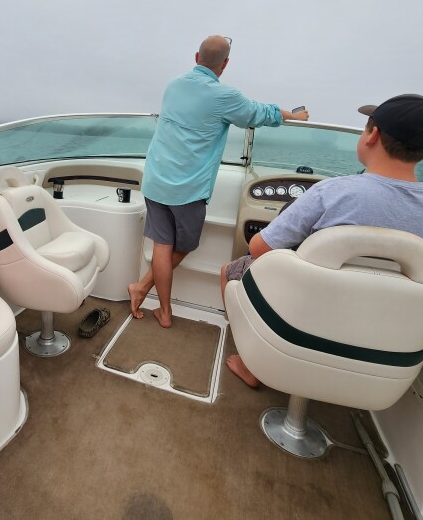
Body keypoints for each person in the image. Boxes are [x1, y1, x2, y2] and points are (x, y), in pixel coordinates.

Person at [221, 94, 423, 388]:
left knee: (230, 271)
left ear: (372, 135)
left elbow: (258, 248)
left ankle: (252, 365)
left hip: (304, 319)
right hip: (388, 337)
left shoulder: (332, 193)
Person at [129, 34, 309, 328]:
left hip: (156, 178)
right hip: (187, 188)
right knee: (184, 245)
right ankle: (156, 302)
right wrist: (296, 115)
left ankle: (152, 299)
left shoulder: (173, 85)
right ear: (225, 64)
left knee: (162, 245)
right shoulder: (224, 96)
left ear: (196, 57)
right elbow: (260, 113)